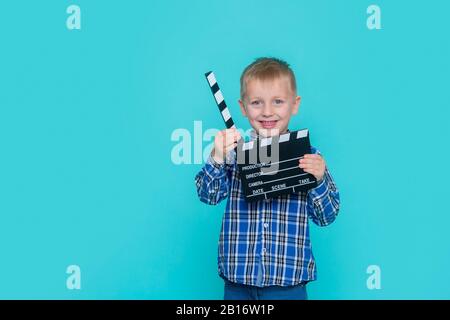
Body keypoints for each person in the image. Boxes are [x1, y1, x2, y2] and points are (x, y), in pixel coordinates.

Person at [195, 57, 340, 300]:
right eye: (256, 103)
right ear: (242, 107)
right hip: (237, 282)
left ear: (295, 104)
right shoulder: (234, 153)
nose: (267, 112)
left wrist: (319, 179)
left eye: (278, 102)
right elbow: (207, 195)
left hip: (288, 284)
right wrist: (217, 156)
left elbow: (327, 216)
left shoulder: (309, 157)